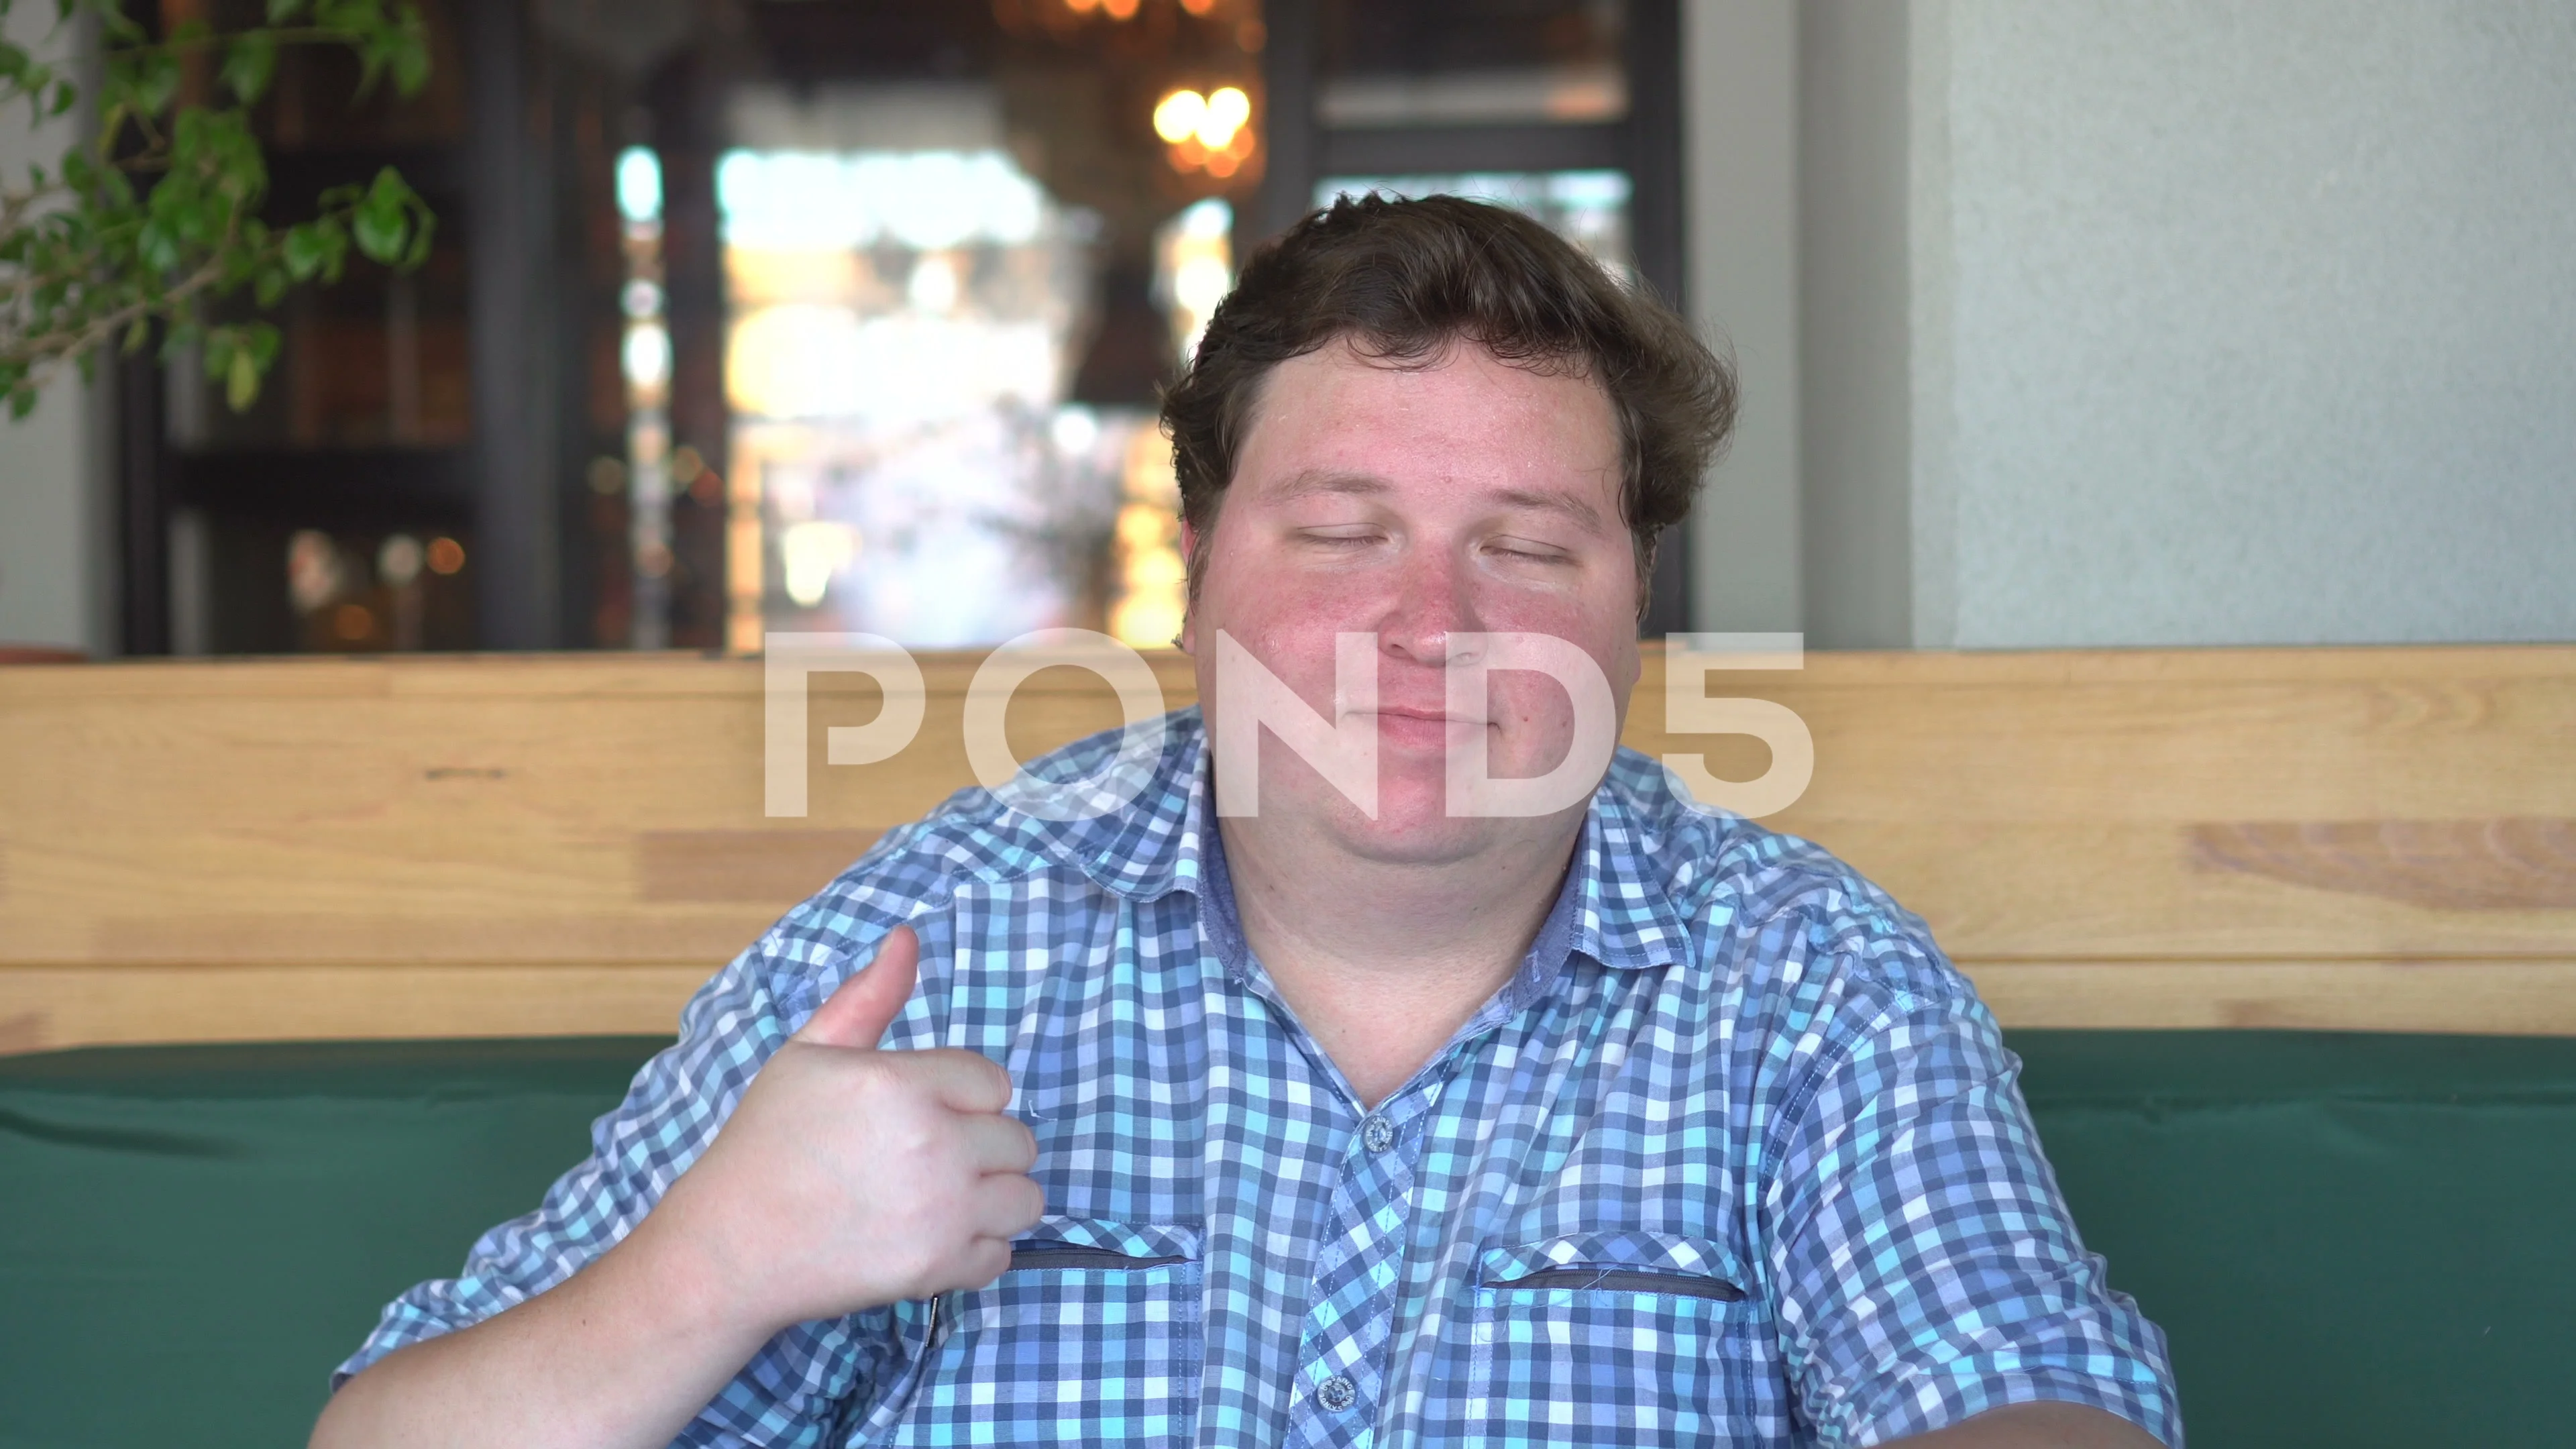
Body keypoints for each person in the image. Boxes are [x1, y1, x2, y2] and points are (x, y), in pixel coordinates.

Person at [314, 195, 2178, 1449]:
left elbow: (2012, 1379)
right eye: (1343, 532)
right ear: (1203, 578)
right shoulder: (940, 942)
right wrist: (714, 1267)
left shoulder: (1815, 986)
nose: (1433, 622)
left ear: (1635, 608)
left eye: (1528, 546)